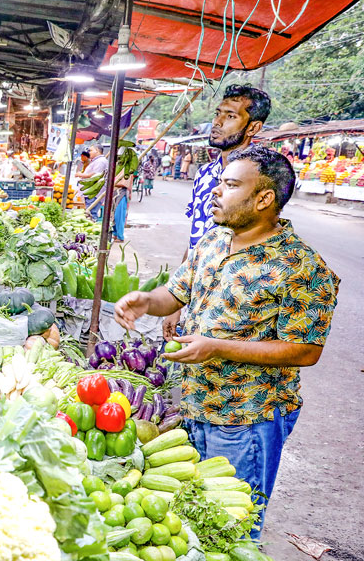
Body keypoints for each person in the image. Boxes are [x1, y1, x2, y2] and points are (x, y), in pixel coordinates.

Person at [114, 147, 339, 539]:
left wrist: (216, 347)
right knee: (193, 520)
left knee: (232, 529)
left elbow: (306, 350)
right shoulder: (215, 240)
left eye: (231, 185)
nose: (217, 192)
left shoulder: (302, 267)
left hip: (247, 418)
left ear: (264, 198)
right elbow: (176, 294)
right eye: (220, 182)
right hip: (194, 403)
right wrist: (146, 301)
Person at [162, 84, 271, 340]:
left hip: (235, 312)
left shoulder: (262, 176)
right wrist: (176, 301)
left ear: (253, 127)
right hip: (197, 305)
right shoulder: (204, 174)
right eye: (217, 114)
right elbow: (195, 240)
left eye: (231, 116)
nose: (218, 122)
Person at [75, 144, 109, 220]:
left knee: (91, 214)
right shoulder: (97, 161)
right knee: (89, 213)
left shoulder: (101, 161)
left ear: (97, 150)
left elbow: (94, 175)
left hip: (94, 193)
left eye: (90, 150)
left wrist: (81, 175)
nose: (88, 152)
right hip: (91, 192)